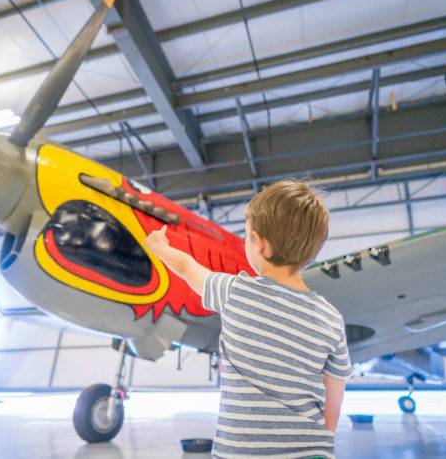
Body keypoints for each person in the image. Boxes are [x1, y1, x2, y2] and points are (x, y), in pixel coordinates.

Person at [145, 179, 352, 459]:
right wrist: (317, 443)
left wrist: (158, 246)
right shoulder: (332, 318)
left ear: (258, 243)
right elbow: (334, 403)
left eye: (245, 235)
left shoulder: (235, 292)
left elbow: (186, 267)